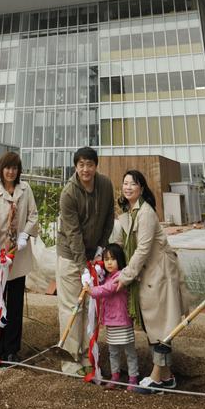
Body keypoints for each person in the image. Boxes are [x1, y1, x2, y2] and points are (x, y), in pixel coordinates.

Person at [111, 169, 189, 393]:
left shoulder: (145, 213)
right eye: (125, 183)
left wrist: (124, 277)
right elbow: (121, 243)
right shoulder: (128, 213)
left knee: (162, 325)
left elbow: (144, 248)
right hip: (147, 275)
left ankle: (156, 377)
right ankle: (166, 377)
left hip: (160, 274)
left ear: (142, 188)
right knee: (154, 324)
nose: (128, 187)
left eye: (133, 184)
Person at [56, 146, 115, 375]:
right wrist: (83, 267)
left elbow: (109, 216)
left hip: (93, 255)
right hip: (71, 257)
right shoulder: (69, 193)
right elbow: (73, 234)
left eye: (89, 164)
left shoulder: (105, 185)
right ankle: (71, 361)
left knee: (90, 308)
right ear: (75, 167)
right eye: (81, 164)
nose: (85, 169)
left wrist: (101, 247)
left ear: (96, 165)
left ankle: (87, 354)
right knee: (72, 307)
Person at [0, 151, 38, 363]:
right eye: (7, 167)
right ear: (1, 169)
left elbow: (33, 214)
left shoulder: (26, 190)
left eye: (14, 168)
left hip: (19, 256)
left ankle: (12, 349)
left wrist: (25, 233)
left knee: (15, 304)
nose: (11, 171)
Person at [86, 243, 140, 391]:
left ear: (120, 260)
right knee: (113, 351)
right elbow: (103, 285)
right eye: (106, 259)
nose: (109, 262)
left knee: (129, 351)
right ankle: (115, 375)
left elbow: (108, 290)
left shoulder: (120, 277)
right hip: (111, 321)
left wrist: (91, 291)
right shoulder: (107, 276)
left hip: (122, 320)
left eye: (113, 259)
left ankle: (133, 377)